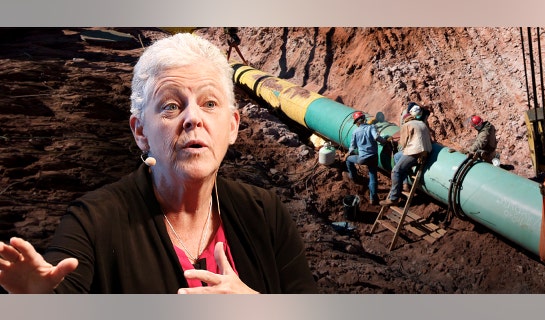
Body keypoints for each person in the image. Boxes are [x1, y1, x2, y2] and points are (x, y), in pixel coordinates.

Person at [0, 33, 317, 294]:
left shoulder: (265, 213)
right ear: (140, 131)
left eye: (209, 103)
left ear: (232, 126)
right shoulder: (93, 221)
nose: (193, 118)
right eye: (171, 105)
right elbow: (60, 288)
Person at [380, 104, 432, 206]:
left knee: (395, 171)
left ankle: (393, 198)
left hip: (415, 153)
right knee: (397, 157)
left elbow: (403, 143)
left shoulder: (406, 125)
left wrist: (395, 142)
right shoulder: (421, 124)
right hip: (426, 152)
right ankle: (404, 183)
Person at [344, 111, 387, 205]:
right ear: (364, 118)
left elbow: (352, 147)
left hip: (362, 158)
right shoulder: (371, 127)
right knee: (373, 176)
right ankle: (373, 198)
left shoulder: (355, 132)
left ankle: (353, 177)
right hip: (373, 157)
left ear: (357, 122)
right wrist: (384, 141)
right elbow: (376, 137)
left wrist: (348, 154)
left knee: (348, 160)